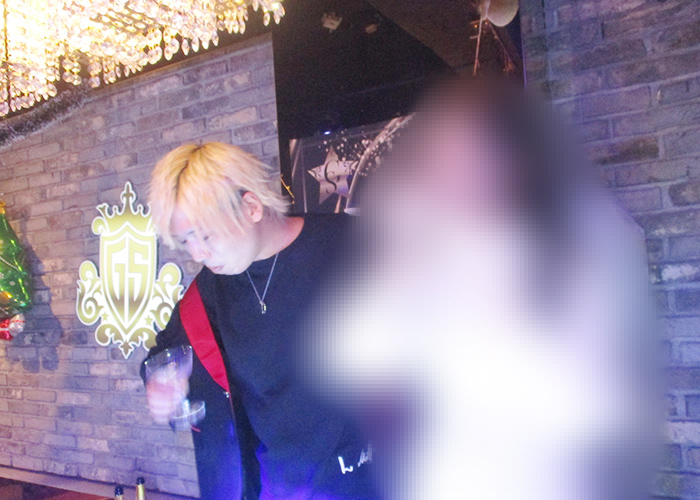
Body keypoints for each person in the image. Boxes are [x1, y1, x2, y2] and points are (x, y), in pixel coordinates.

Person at [310, 77, 662, 500]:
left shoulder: (585, 232)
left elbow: (602, 407)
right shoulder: (436, 243)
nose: (452, 174)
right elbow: (356, 355)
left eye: (470, 154)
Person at [142, 142, 377, 500]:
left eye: (206, 235)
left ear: (251, 207)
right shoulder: (211, 290)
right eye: (186, 241)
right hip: (278, 487)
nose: (198, 254)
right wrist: (160, 382)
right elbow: (164, 353)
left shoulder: (356, 245)